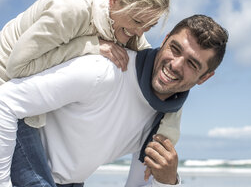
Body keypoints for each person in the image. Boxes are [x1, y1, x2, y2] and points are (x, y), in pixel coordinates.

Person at [0, 14, 228, 186]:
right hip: (15, 154)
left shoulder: (164, 121)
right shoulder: (105, 71)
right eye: (175, 49)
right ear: (165, 39)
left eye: (192, 64)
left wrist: (168, 181)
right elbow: (5, 101)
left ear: (205, 77)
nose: (175, 64)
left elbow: (137, 185)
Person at [0, 0, 183, 156]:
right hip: (7, 97)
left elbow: (157, 74)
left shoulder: (129, 25)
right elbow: (17, 67)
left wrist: (168, 134)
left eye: (150, 26)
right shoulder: (72, 9)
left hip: (34, 103)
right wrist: (91, 45)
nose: (139, 32)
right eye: (137, 21)